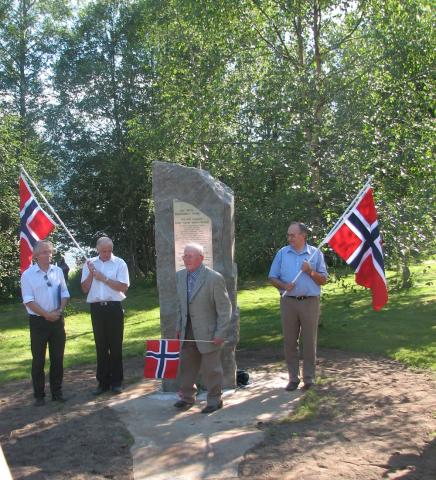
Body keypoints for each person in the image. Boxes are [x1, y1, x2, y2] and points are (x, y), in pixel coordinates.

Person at [268, 222, 328, 391]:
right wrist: (283, 285)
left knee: (309, 341)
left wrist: (310, 271)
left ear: (303, 235)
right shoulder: (282, 253)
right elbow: (272, 277)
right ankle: (293, 378)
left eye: (293, 235)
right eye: (288, 235)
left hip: (310, 302)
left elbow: (323, 280)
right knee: (290, 341)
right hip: (288, 302)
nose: (290, 238)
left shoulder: (315, 254)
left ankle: (309, 378)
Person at [174, 243, 232, 413]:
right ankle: (186, 397)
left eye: (190, 256)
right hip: (187, 330)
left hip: (208, 332)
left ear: (201, 258)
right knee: (187, 366)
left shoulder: (214, 278)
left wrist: (221, 332)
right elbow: (180, 305)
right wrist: (179, 326)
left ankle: (214, 399)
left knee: (211, 369)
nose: (186, 259)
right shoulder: (180, 276)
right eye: (185, 256)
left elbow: (224, 308)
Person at [20, 240, 70, 406]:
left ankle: (57, 392)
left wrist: (59, 311)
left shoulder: (58, 271)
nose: (48, 255)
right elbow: (28, 300)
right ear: (35, 255)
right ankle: (39, 395)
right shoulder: (27, 275)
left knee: (57, 358)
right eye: (44, 252)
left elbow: (65, 293)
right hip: (38, 323)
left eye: (50, 252)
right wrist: (46, 314)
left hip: (57, 320)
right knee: (39, 360)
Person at [81, 236, 129, 395]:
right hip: (97, 308)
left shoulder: (120, 263)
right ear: (97, 249)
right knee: (101, 347)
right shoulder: (89, 263)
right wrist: (90, 274)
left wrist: (104, 278)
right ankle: (102, 382)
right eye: (103, 251)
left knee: (115, 346)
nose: (107, 254)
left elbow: (123, 287)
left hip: (114, 307)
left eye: (109, 251)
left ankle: (117, 382)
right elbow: (85, 289)